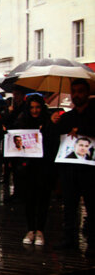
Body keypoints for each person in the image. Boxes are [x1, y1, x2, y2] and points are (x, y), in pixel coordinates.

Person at [12, 94, 60, 246]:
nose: (35, 111)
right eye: (32, 107)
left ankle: (40, 230)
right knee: (30, 200)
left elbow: (53, 143)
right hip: (28, 168)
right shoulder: (22, 120)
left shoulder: (48, 121)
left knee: (43, 199)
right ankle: (31, 229)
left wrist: (48, 127)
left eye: (37, 107)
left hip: (44, 167)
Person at [56, 79, 95, 250]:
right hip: (70, 168)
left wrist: (80, 130)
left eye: (80, 91)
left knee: (92, 206)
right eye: (74, 92)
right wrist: (53, 121)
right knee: (69, 206)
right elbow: (56, 137)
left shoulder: (94, 114)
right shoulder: (68, 117)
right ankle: (69, 240)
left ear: (87, 93)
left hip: (90, 170)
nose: (77, 95)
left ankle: (93, 244)